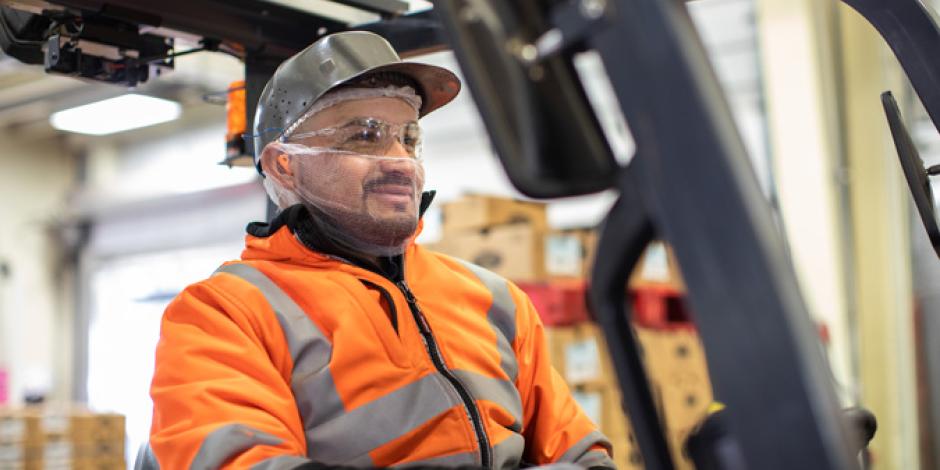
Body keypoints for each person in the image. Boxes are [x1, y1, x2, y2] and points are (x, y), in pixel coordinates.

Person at [147, 31, 615, 470]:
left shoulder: (495, 299)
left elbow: (583, 454)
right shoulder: (224, 313)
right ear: (284, 165)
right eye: (365, 135)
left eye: (409, 138)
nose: (401, 162)